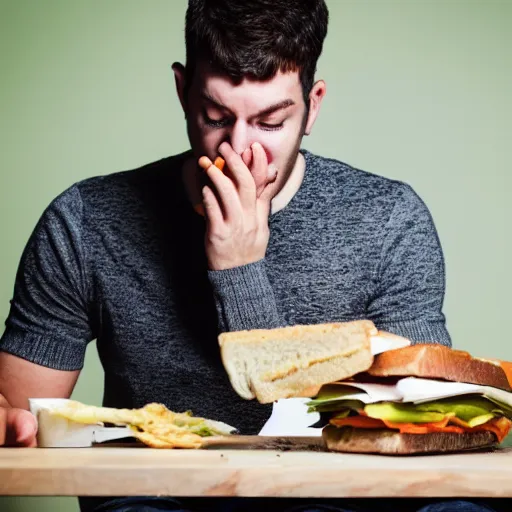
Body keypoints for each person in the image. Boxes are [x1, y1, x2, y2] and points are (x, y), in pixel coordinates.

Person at [0, 0, 497, 511]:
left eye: (270, 122)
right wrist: (6, 418)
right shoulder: (84, 220)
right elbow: (19, 418)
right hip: (156, 497)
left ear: (313, 106)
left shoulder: (390, 218)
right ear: (181, 92)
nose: (238, 150)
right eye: (215, 117)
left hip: (332, 499)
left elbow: (423, 417)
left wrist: (239, 271)